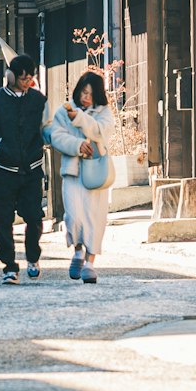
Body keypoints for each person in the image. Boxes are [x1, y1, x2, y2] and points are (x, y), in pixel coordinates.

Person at [0, 58, 53, 285]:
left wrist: (60, 139)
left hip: (32, 169)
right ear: (10, 75)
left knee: (34, 217)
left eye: (30, 77)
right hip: (3, 170)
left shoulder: (39, 101)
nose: (27, 81)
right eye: (23, 77)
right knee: (2, 220)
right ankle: (9, 268)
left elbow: (47, 128)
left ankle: (33, 258)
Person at [48, 68, 118, 284]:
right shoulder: (63, 111)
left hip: (96, 174)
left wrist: (80, 119)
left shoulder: (104, 112)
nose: (86, 98)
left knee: (95, 219)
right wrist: (78, 145)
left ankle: (90, 263)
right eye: (83, 93)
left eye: (90, 94)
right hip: (72, 172)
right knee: (74, 216)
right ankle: (78, 251)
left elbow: (101, 133)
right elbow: (56, 137)